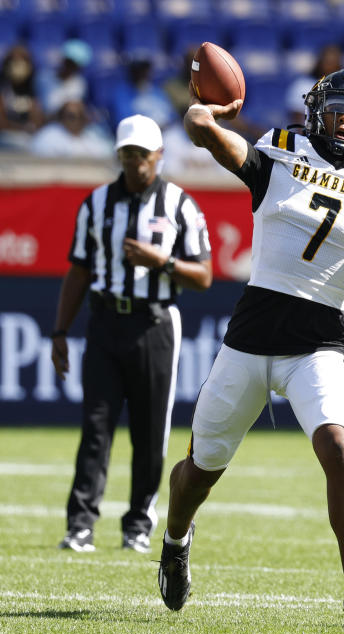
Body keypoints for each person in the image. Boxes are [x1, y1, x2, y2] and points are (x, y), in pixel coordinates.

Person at [156, 68, 344, 630]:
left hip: (318, 341)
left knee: (338, 448)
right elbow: (199, 126)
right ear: (314, 110)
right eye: (336, 107)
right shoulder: (280, 150)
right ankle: (175, 539)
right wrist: (213, 110)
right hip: (250, 335)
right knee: (201, 469)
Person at [51, 114, 213, 554]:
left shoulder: (180, 204)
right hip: (104, 321)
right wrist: (60, 330)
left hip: (154, 323)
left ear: (159, 156)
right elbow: (79, 269)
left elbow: (203, 276)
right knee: (95, 426)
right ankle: (80, 525)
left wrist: (159, 261)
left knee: (150, 431)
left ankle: (138, 523)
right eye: (127, 155)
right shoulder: (96, 203)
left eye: (142, 155)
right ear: (118, 155)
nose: (135, 163)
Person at [33, 99, 114, 159]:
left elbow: (107, 154)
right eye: (72, 116)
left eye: (81, 115)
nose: (77, 120)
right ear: (62, 117)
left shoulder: (94, 134)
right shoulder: (48, 136)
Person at [0, 44, 44, 150]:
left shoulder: (34, 87)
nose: (18, 65)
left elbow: (37, 123)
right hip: (4, 139)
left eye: (22, 61)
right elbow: (1, 123)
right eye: (13, 61)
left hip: (29, 141)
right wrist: (23, 127)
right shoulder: (3, 88)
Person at [36, 39, 92, 117]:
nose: (70, 67)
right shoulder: (43, 78)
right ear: (63, 60)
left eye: (74, 65)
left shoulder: (80, 84)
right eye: (68, 62)